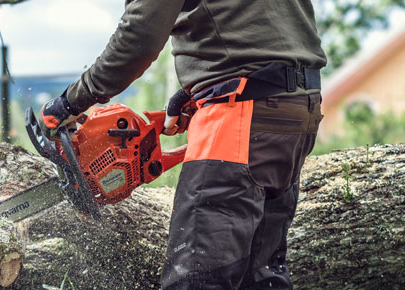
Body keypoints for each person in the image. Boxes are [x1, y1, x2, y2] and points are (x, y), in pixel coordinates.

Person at [40, 1, 327, 289]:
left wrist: (71, 101)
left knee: (195, 278)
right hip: (297, 109)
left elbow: (139, 37)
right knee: (260, 279)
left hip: (240, 116)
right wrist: (202, 86)